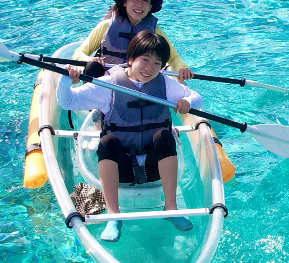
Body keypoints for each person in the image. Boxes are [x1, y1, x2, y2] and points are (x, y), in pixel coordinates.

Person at [59, 31, 201, 243]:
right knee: (107, 142)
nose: (149, 68)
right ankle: (113, 216)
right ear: (131, 59)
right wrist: (66, 80)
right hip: (121, 169)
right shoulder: (108, 84)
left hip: (155, 168)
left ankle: (171, 208)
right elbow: (68, 101)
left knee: (165, 136)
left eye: (157, 63)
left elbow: (196, 97)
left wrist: (188, 102)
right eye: (145, 60)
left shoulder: (165, 84)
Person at [73, 0, 194, 83]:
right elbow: (79, 53)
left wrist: (182, 68)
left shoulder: (155, 32)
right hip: (107, 81)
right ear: (124, 2)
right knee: (92, 67)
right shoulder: (105, 26)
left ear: (150, 7)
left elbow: (173, 58)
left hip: (141, 82)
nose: (139, 5)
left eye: (145, 0)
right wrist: (90, 60)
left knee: (170, 72)